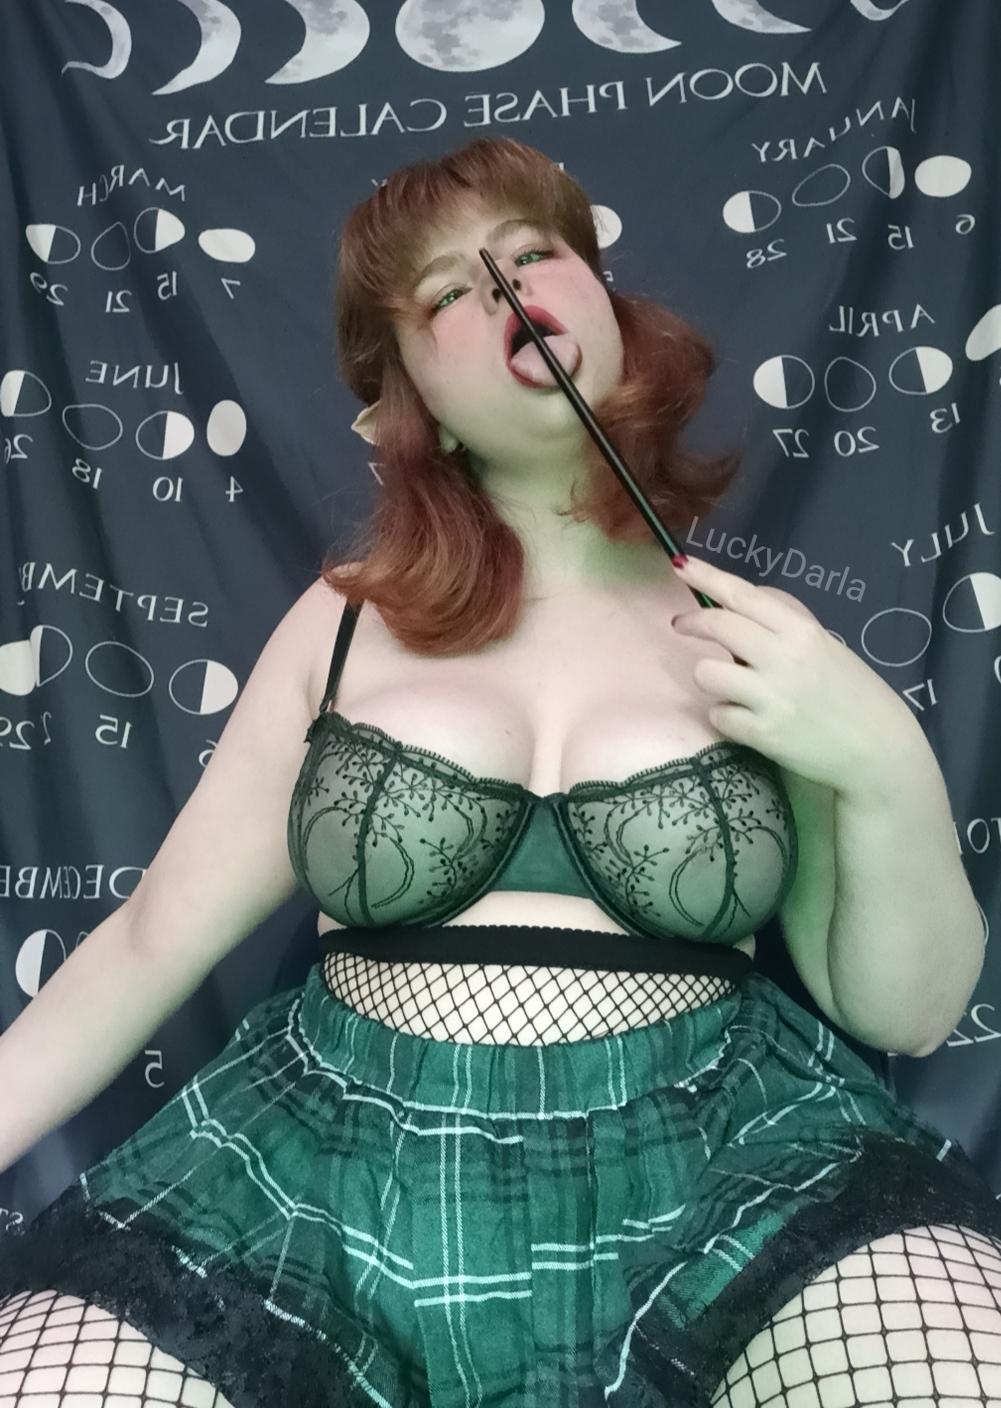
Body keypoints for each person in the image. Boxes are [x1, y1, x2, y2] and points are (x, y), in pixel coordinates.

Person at [0, 136, 999, 1408]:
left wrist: (879, 755)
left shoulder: (752, 641)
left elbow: (901, 1012)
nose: (504, 288)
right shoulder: (342, 622)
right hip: (323, 1186)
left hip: (722, 1175)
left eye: (531, 252)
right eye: (444, 293)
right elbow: (151, 941)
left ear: (605, 303)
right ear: (403, 394)